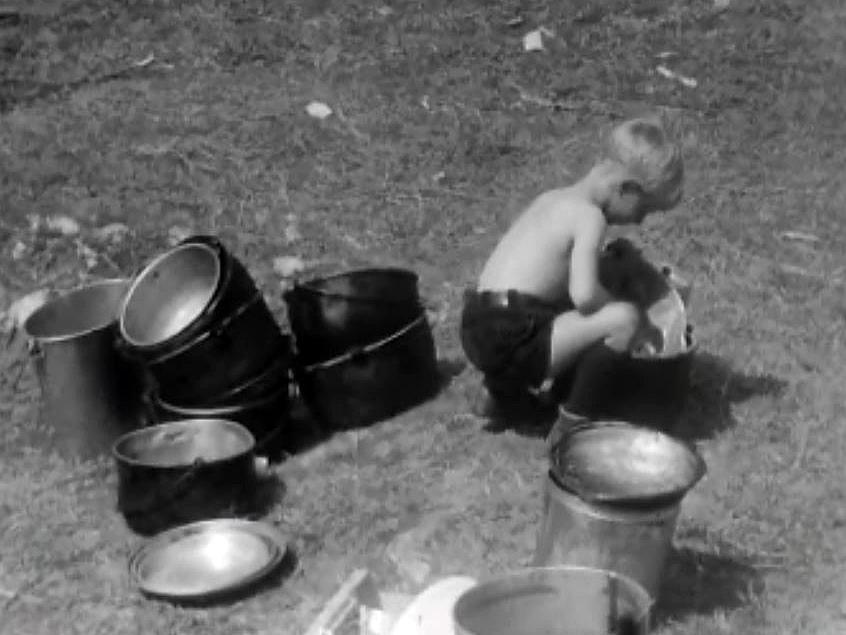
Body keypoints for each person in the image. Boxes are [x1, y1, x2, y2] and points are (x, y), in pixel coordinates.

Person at [459, 115, 684, 415]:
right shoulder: (590, 218)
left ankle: (501, 394)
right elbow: (585, 296)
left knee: (568, 312)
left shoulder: (552, 199)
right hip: (514, 332)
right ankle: (574, 415)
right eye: (643, 209)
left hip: (478, 320)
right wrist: (631, 311)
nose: (640, 221)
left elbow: (549, 276)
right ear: (626, 188)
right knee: (622, 318)